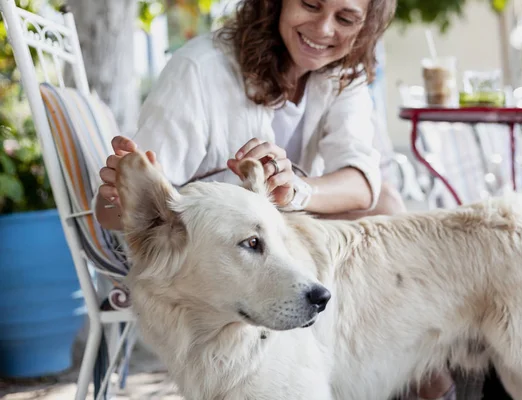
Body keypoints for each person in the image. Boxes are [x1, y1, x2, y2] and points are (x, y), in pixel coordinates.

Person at [93, 0, 454, 398]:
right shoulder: (199, 72)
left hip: (285, 244)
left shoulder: (342, 72)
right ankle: (416, 374)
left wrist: (297, 190)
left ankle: (419, 366)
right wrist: (120, 191)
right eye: (311, 5)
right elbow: (122, 214)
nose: (324, 29)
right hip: (207, 259)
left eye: (346, 18)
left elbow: (365, 183)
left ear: (365, 27)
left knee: (385, 203)